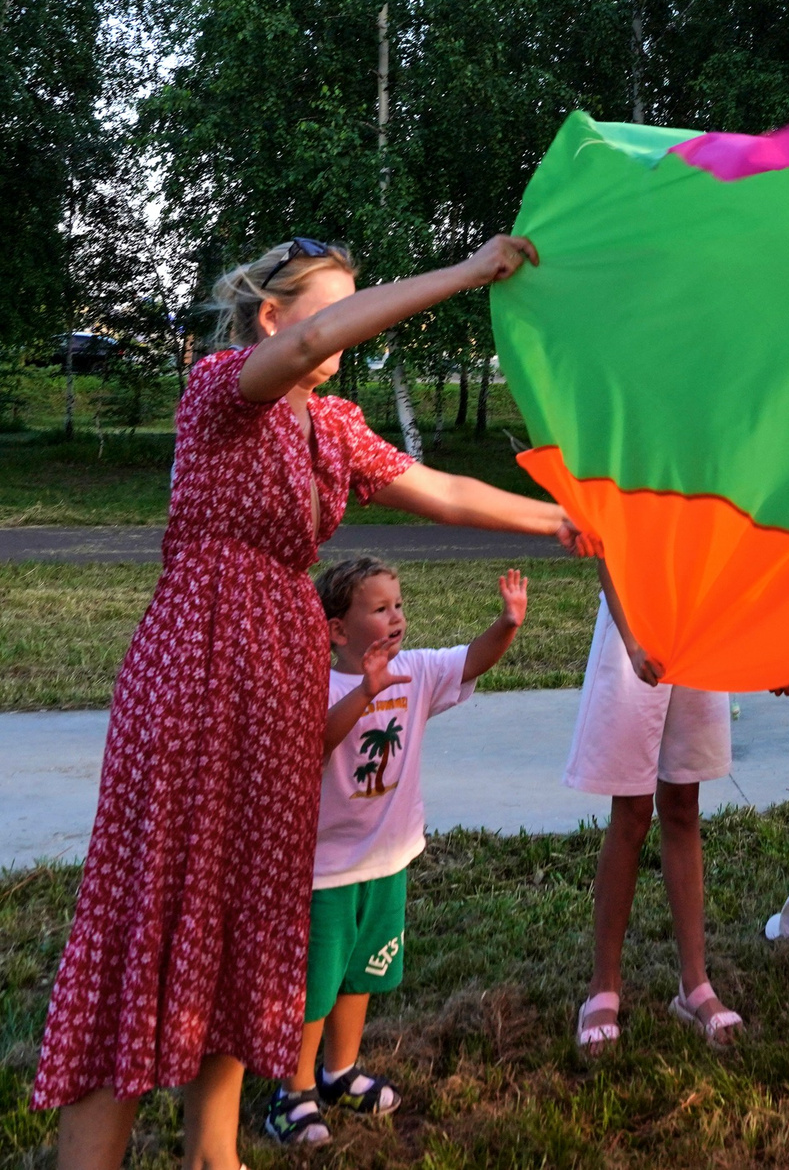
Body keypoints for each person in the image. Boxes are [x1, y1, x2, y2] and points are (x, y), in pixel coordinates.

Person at [36, 235, 577, 1170]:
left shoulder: (328, 426)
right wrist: (462, 272)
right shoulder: (222, 391)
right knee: (155, 908)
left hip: (275, 676)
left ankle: (216, 1153)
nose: (341, 335)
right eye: (329, 314)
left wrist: (561, 518)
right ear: (276, 317)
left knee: (248, 910)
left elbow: (439, 488)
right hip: (198, 680)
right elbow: (307, 344)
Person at [265, 559, 527, 1147]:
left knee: (360, 974)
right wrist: (365, 692)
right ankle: (293, 1092)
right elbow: (314, 744)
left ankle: (340, 1072)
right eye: (379, 608)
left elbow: (471, 659)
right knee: (315, 983)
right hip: (325, 868)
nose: (396, 617)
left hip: (387, 859)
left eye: (399, 605)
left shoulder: (415, 672)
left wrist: (507, 623)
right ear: (337, 630)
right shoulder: (316, 682)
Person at [566, 567, 742, 1054]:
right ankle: (603, 988)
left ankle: (694, 985)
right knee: (632, 809)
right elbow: (607, 544)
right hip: (636, 625)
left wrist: (764, 659)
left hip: (701, 624)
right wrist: (631, 640)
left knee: (684, 803)